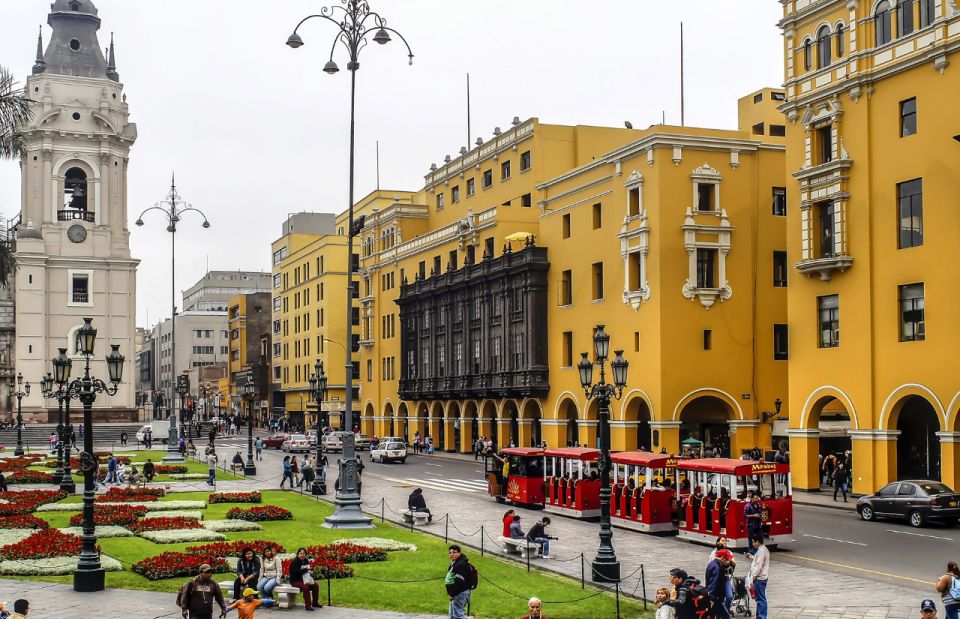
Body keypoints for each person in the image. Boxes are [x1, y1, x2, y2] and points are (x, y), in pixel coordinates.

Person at [444, 545, 472, 619]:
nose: (452, 554)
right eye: (450, 553)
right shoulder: (455, 562)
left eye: (454, 552)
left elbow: (459, 581)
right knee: (452, 615)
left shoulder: (461, 564)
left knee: (458, 616)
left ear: (459, 553)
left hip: (460, 593)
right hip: (456, 593)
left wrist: (452, 594)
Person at [705, 549, 734, 619]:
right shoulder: (716, 568)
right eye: (726, 559)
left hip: (717, 594)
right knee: (725, 615)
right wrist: (711, 598)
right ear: (722, 558)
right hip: (716, 595)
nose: (728, 561)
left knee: (719, 613)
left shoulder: (713, 564)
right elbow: (713, 583)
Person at [747, 537, 769, 619]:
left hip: (759, 578)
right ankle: (760, 616)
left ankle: (761, 617)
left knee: (760, 599)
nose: (752, 544)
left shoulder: (761, 551)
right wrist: (751, 557)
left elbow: (759, 565)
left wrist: (754, 577)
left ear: (757, 542)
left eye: (753, 542)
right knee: (760, 598)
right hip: (761, 577)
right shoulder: (762, 550)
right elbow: (757, 560)